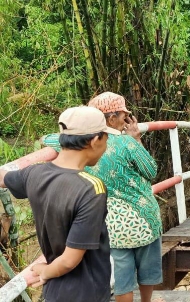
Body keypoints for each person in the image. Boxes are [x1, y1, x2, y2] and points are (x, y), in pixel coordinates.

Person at [43, 93, 162, 302]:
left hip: (112, 224)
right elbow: (151, 170)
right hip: (144, 219)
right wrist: (136, 138)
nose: (126, 121)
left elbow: (49, 139)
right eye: (124, 116)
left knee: (122, 277)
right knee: (147, 269)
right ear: (111, 118)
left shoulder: (82, 143)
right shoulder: (127, 143)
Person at [0, 106, 116, 302]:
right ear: (95, 140)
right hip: (87, 291)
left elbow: (4, 178)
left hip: (55, 292)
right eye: (106, 138)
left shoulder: (34, 174)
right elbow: (70, 260)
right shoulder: (91, 189)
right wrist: (45, 273)